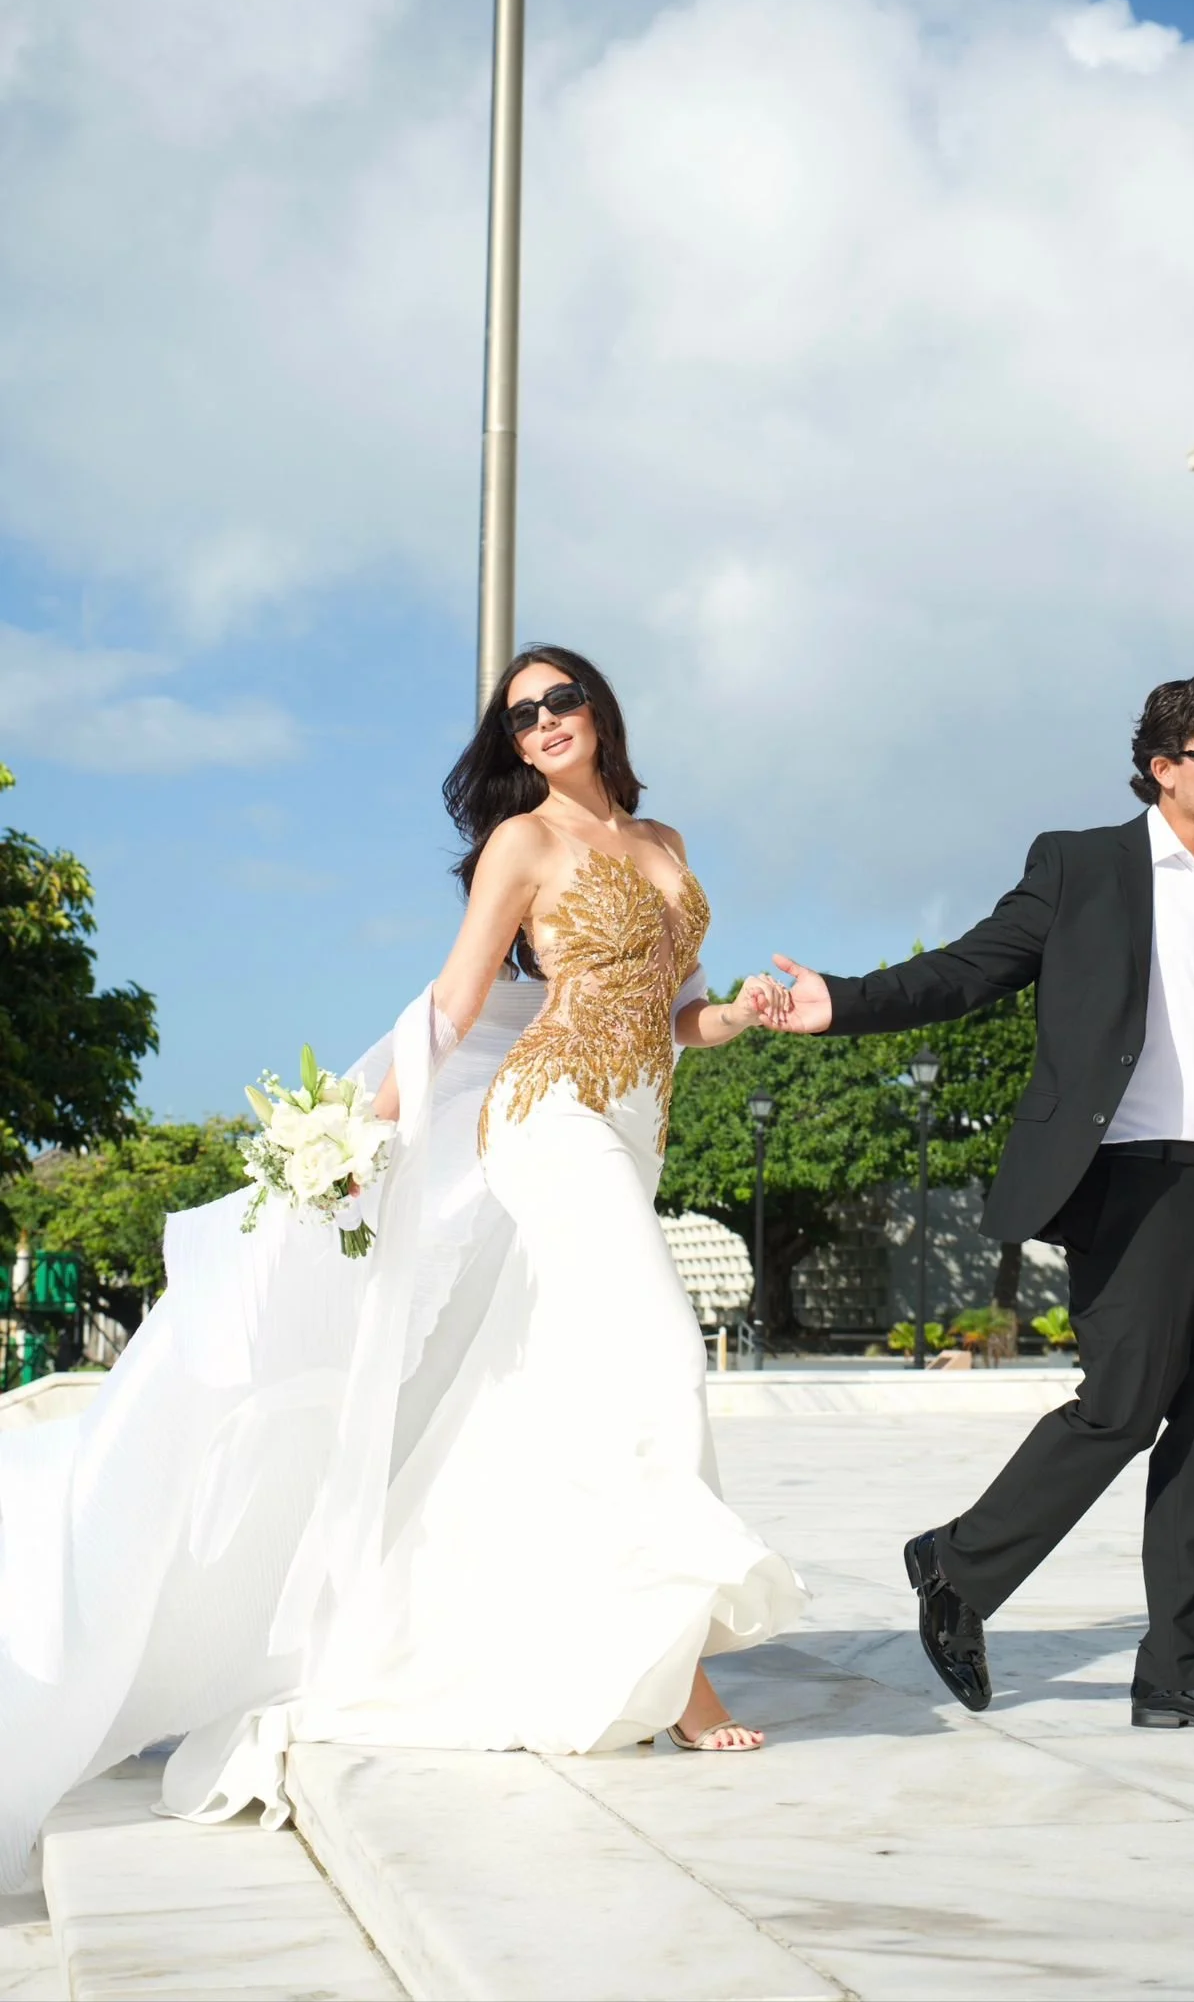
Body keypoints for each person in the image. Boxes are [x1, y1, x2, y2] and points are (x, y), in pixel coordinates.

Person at [0, 646, 804, 1894]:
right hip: (548, 1116)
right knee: (656, 1356)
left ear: (599, 709)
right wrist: (357, 1135)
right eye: (519, 714)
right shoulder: (523, 849)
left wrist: (741, 1014)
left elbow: (674, 1008)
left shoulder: (663, 836)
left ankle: (601, 1639)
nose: (541, 723)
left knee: (559, 1391)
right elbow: (451, 1003)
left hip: (638, 1121)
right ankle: (688, 1671)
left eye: (559, 701)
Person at [763, 667, 1194, 1733]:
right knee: (1122, 1404)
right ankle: (957, 1559)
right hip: (1131, 1184)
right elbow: (969, 969)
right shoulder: (1083, 866)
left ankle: (1180, 1665)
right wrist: (840, 1002)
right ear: (1160, 768)